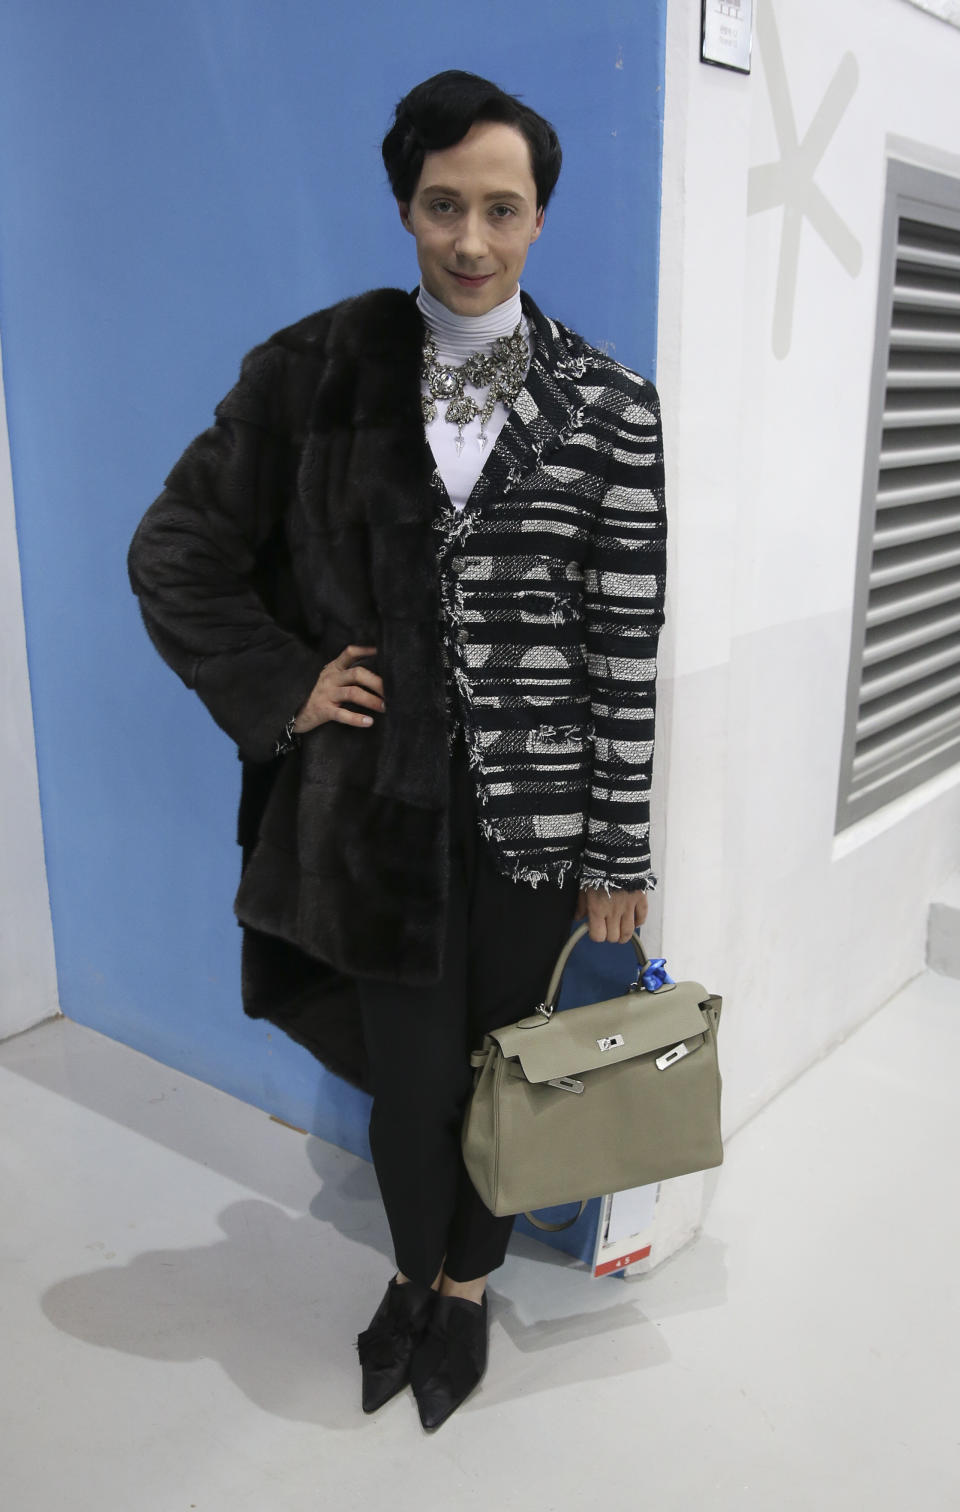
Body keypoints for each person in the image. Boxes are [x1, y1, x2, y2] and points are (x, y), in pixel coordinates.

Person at [127, 68, 666, 1432]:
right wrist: (289, 685)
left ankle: (467, 1289)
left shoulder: (611, 405)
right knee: (411, 1078)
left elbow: (622, 641)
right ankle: (415, 1270)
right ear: (405, 205)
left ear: (541, 215)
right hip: (375, 813)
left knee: (505, 1070)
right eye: (443, 206)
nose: (471, 242)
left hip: (540, 829)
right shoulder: (311, 372)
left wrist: (620, 851)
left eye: (502, 208)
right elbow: (175, 552)